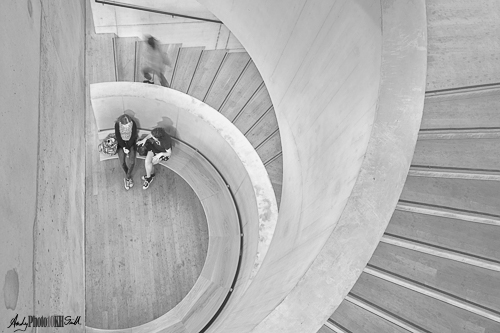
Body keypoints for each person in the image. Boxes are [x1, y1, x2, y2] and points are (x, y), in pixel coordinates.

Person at [114, 114, 138, 190]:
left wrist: (127, 147)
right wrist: (124, 147)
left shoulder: (133, 123)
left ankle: (127, 178)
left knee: (132, 162)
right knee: (122, 162)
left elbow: (133, 136)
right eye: (125, 126)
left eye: (128, 125)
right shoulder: (117, 124)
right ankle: (129, 178)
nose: (127, 127)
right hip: (121, 144)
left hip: (130, 143)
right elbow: (118, 136)